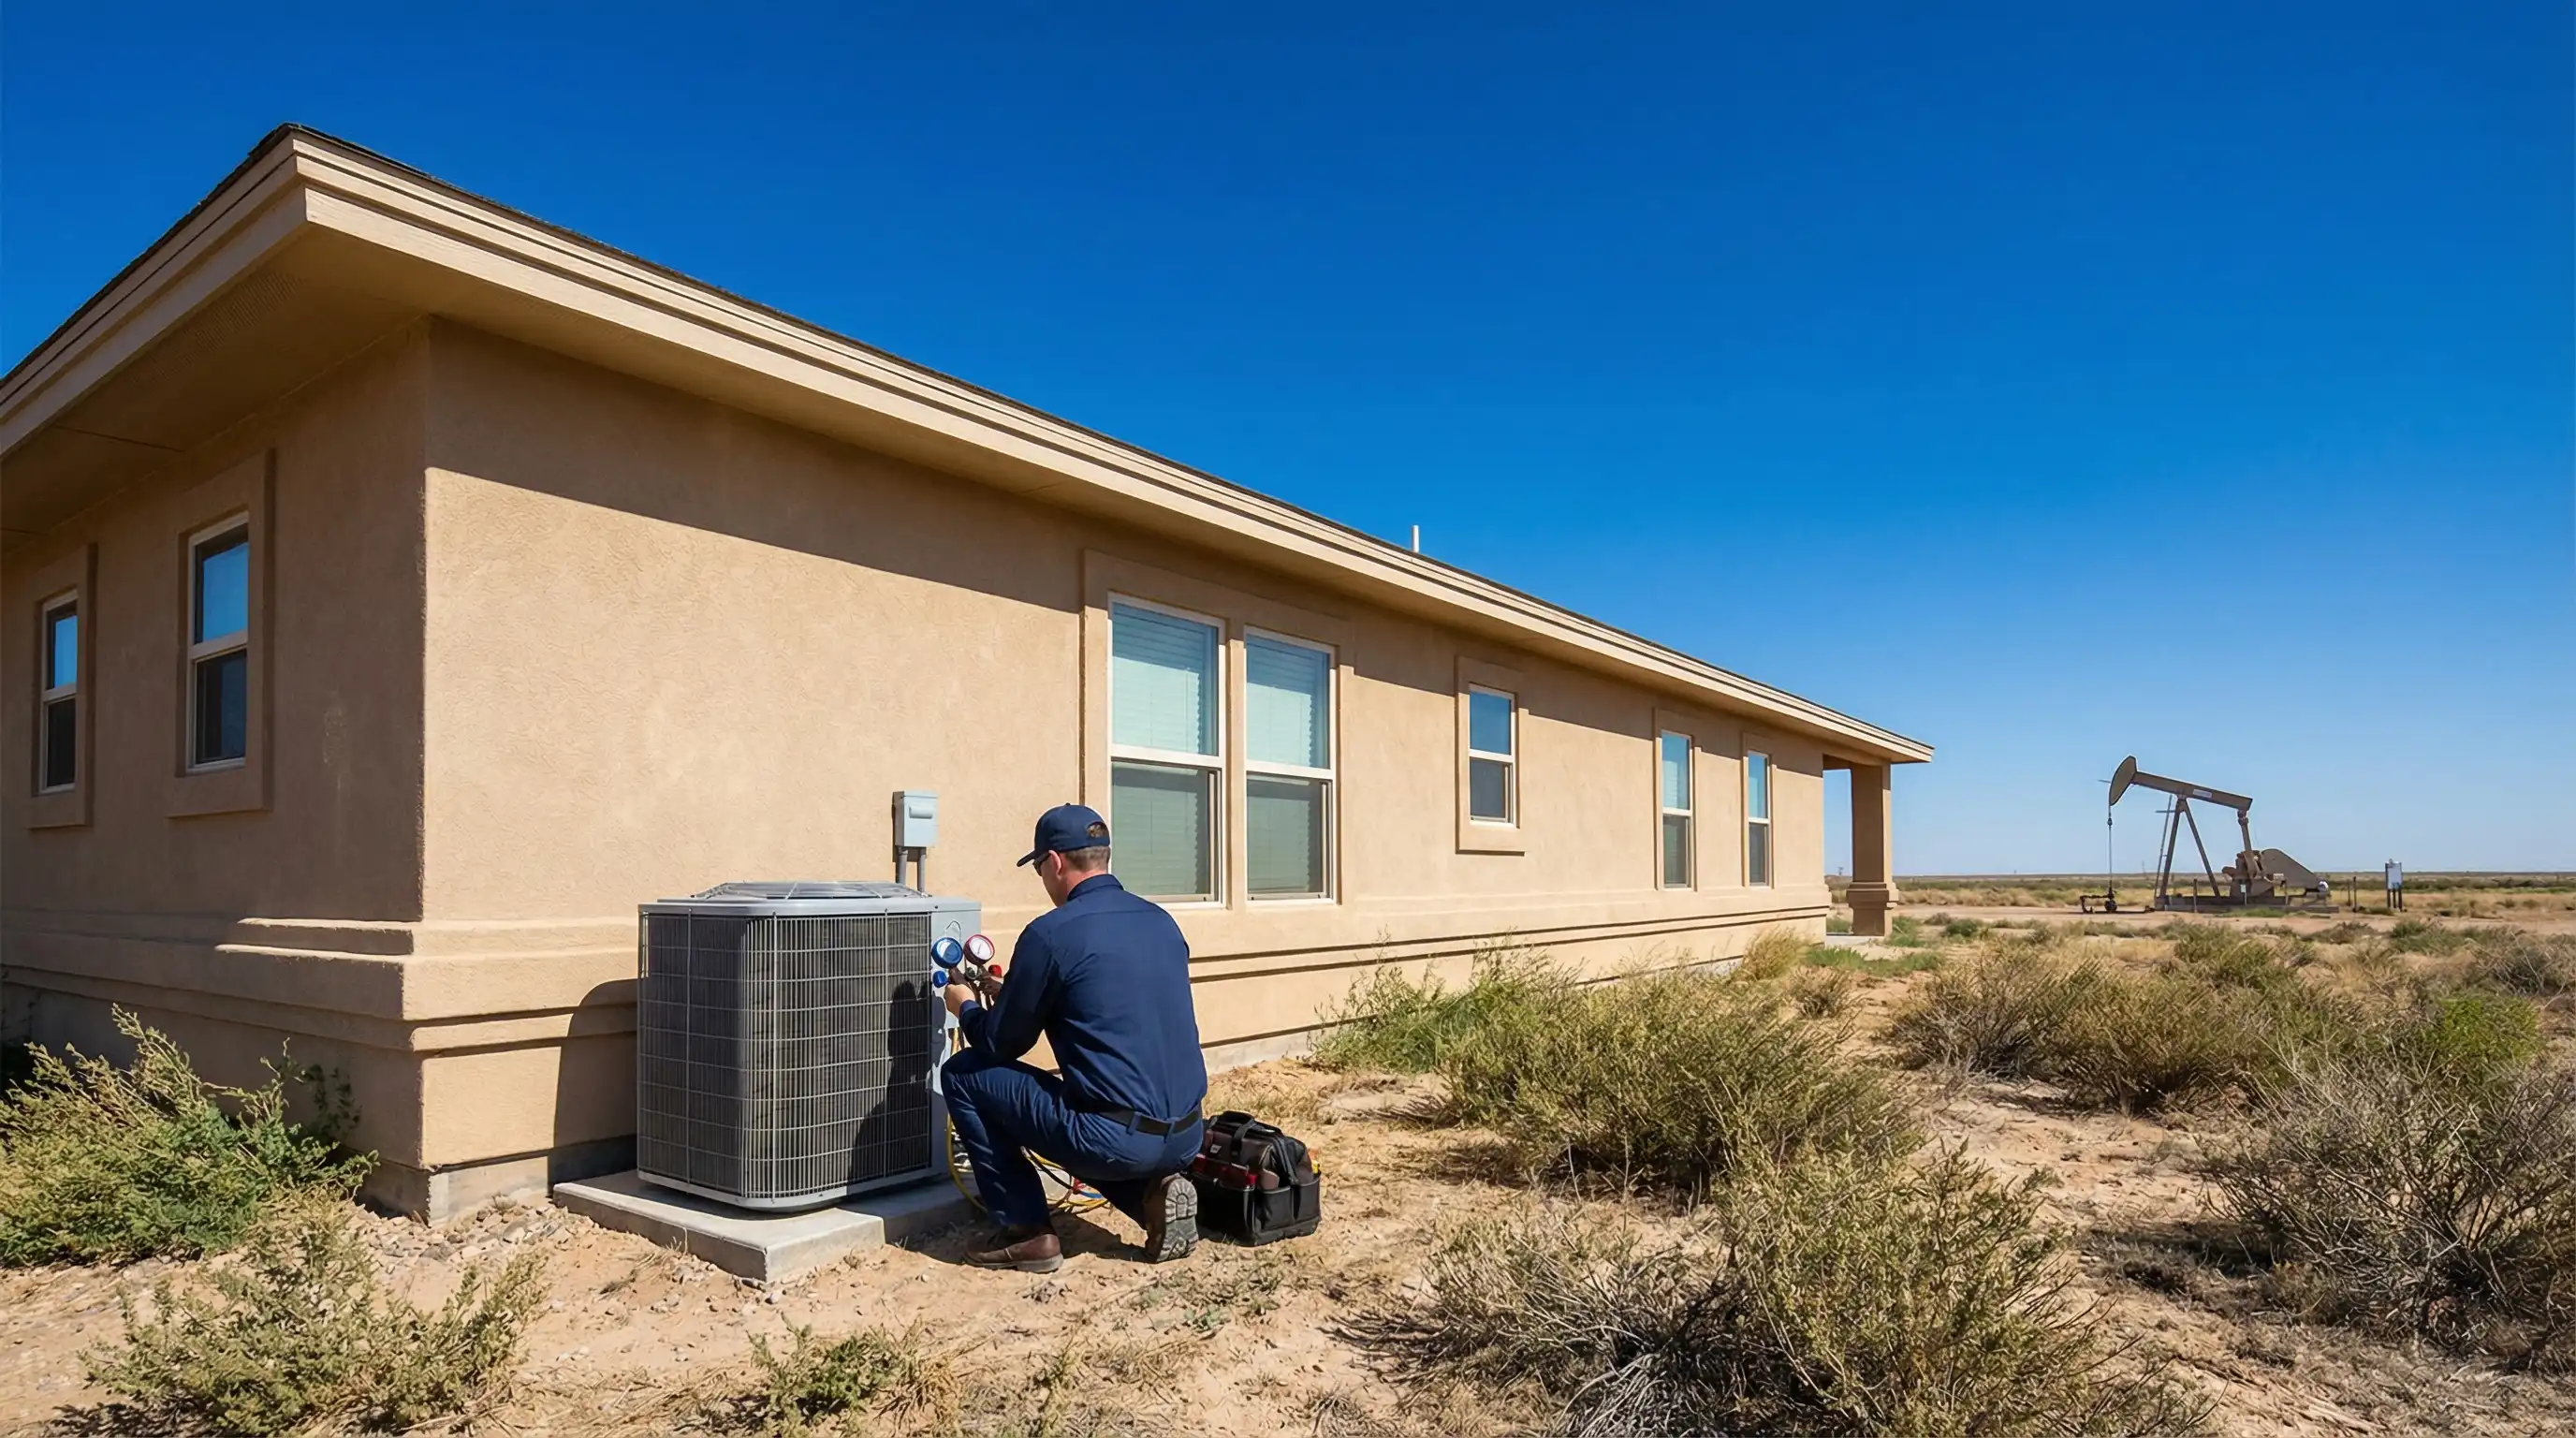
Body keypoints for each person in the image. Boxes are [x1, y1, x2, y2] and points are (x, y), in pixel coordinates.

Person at [939, 803, 1208, 1272]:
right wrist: (1015, 992)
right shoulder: (1160, 921)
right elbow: (1107, 1003)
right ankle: (1151, 1199)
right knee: (1084, 1104)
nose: (1043, 880)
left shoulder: (1050, 934)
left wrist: (963, 1004)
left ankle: (1026, 1232)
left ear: (1055, 862)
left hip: (1114, 1138)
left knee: (964, 1074)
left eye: (1040, 868)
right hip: (1186, 1135)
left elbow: (1001, 1045)